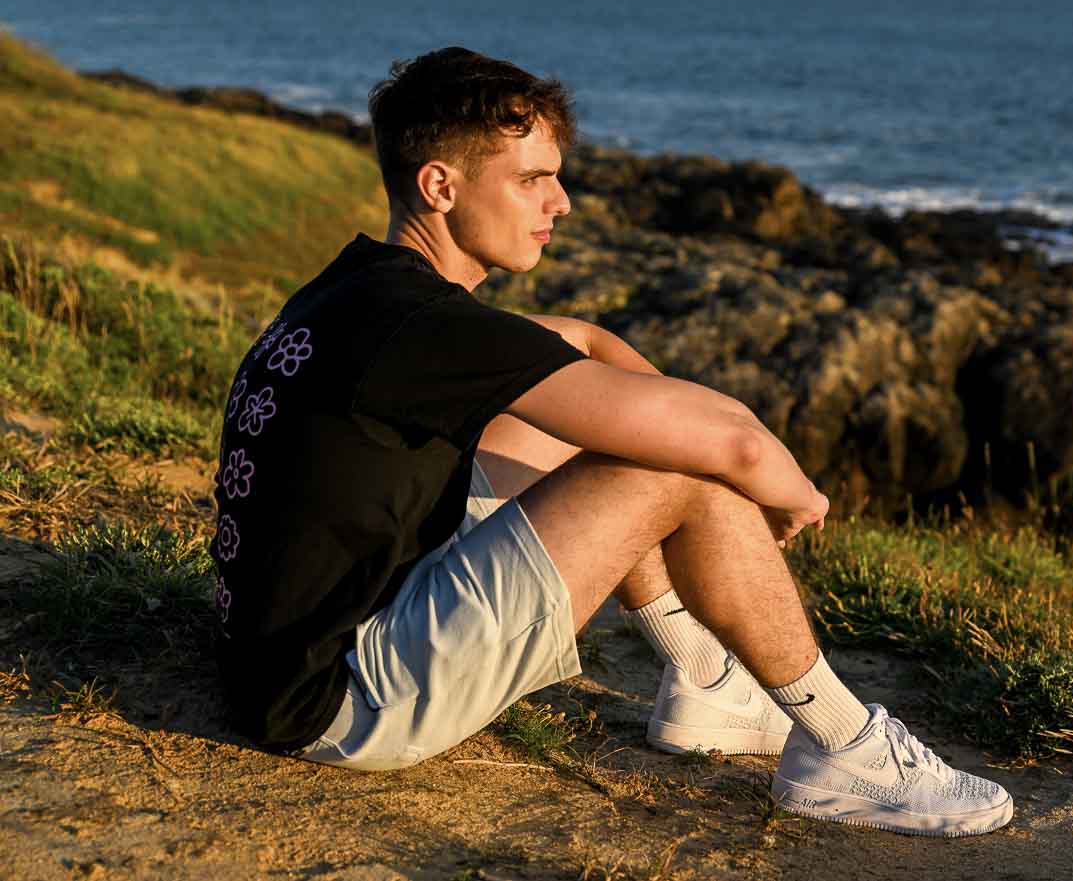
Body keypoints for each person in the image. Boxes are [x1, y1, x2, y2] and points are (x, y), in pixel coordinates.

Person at [209, 47, 1013, 837]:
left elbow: (585, 344)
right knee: (676, 470)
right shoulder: (424, 325)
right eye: (531, 180)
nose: (560, 204)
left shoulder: (364, 291)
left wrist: (693, 470)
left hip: (283, 660)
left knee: (583, 425)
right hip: (343, 700)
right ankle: (847, 748)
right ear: (440, 186)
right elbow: (729, 444)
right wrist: (790, 492)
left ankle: (704, 677)